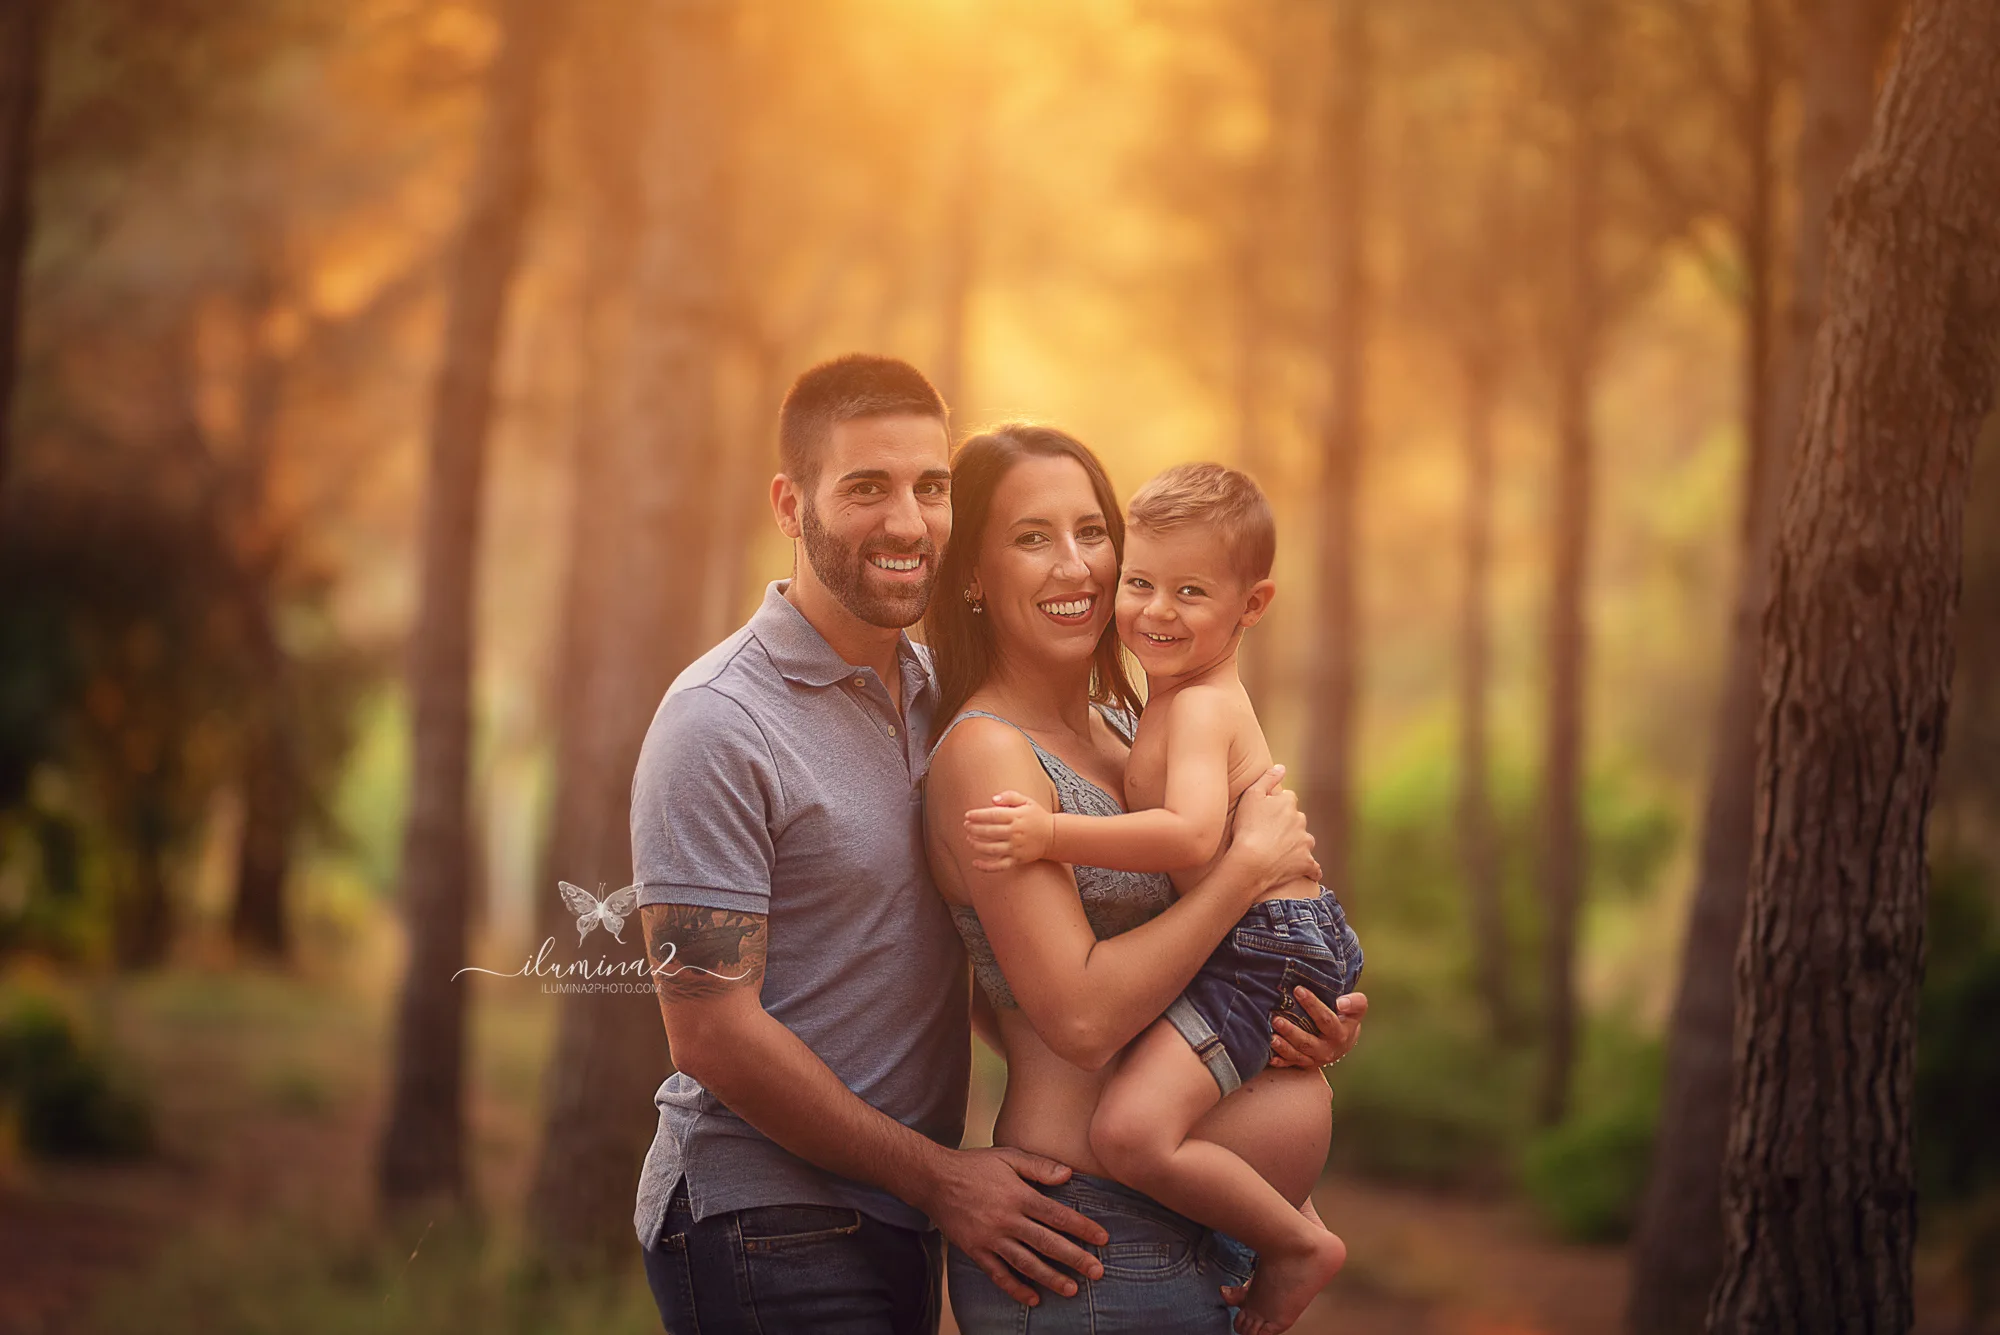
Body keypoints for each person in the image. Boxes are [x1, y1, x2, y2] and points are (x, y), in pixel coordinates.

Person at [630, 356, 1115, 1334]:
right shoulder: (716, 723)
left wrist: (1241, 1028)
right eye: (866, 487)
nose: (907, 523)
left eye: (929, 487)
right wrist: (942, 1180)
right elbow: (712, 1032)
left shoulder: (954, 703)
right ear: (787, 501)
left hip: (900, 1215)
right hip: (761, 1213)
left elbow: (1000, 956)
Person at [923, 427, 1369, 1333]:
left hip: (1195, 1236)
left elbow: (1185, 954)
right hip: (1095, 1238)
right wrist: (1243, 873)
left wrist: (1287, 1013)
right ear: (971, 573)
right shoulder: (987, 755)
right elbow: (1080, 1017)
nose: (1077, 565)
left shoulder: (1123, 729)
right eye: (1032, 537)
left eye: (1093, 532)